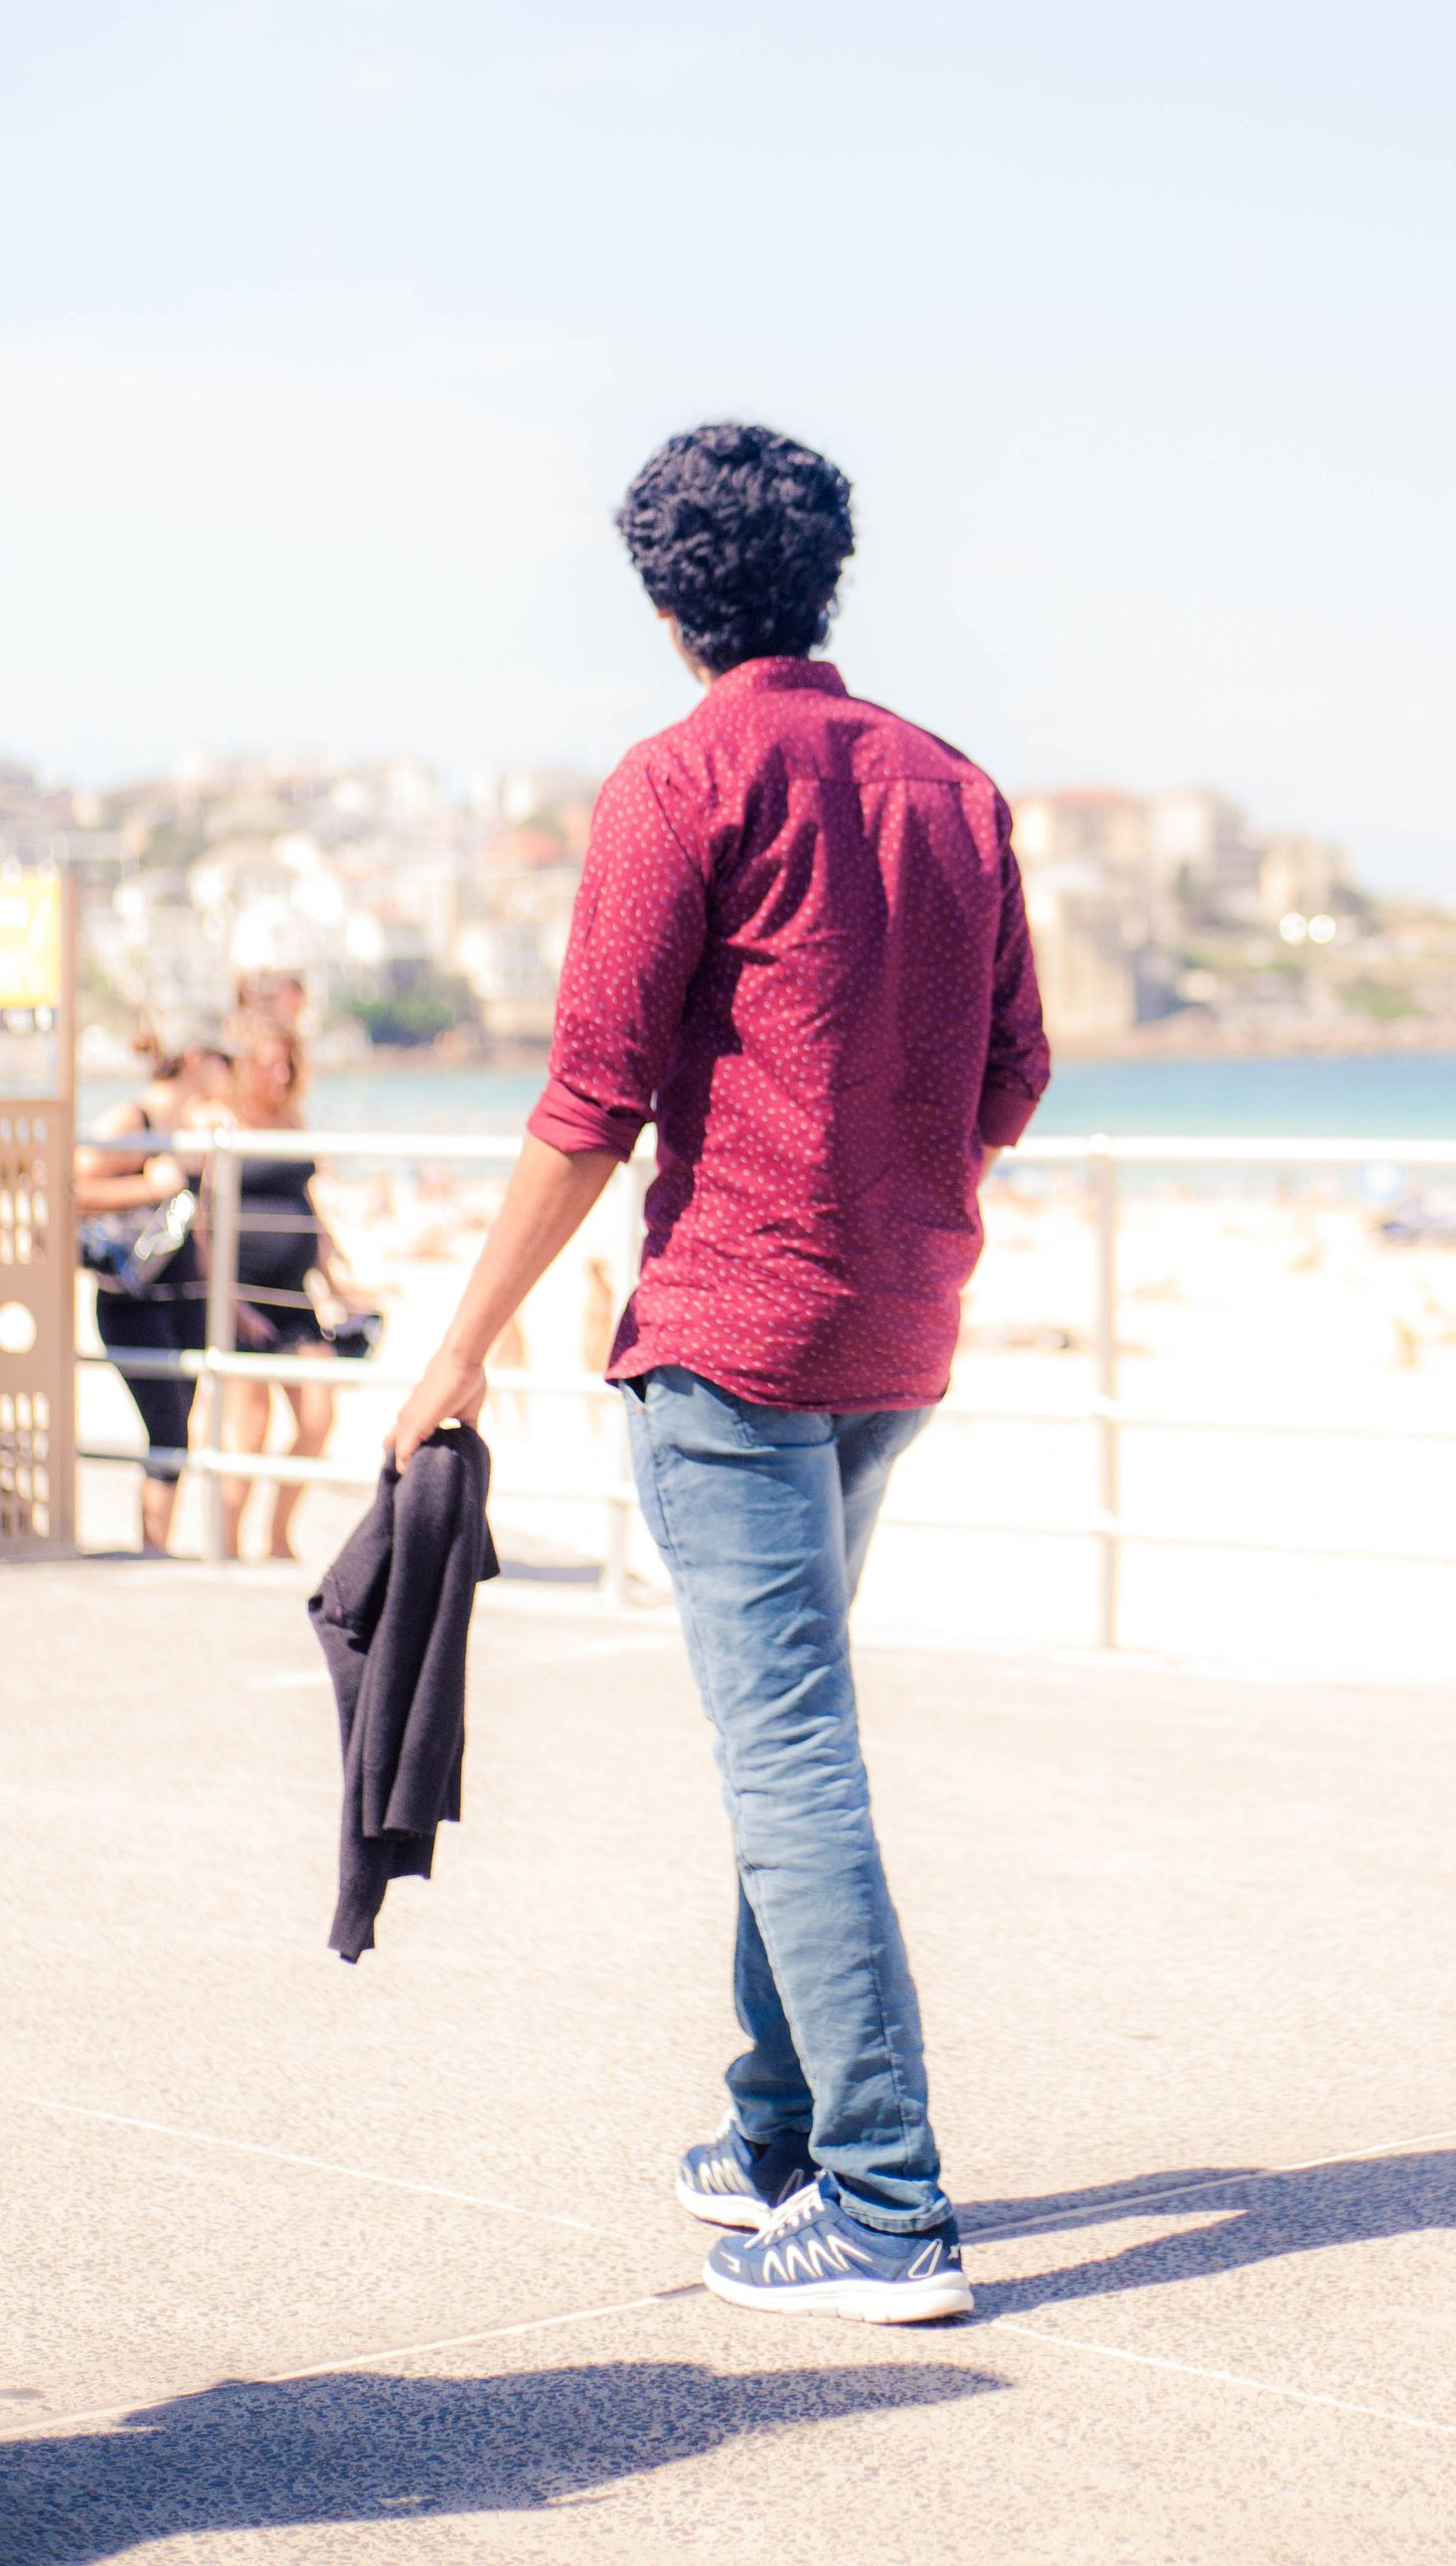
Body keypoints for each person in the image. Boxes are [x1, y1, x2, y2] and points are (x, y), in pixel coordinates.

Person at [391, 422, 1049, 2326]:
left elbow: (590, 1100)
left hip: (736, 1335)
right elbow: (1015, 1067)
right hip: (895, 1330)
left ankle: (887, 2205)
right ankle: (775, 2139)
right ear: (826, 577)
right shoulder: (955, 785)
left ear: (666, 601)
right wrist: (896, 1197)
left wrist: (456, 1346)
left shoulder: (676, 779)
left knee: (790, 1757)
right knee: (799, 1734)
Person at [76, 1027, 228, 1553]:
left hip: (183, 1298)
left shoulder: (189, 1124)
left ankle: (158, 1544)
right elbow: (72, 1188)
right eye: (225, 1060)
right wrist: (148, 1184)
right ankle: (153, 1547)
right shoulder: (132, 1119)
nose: (232, 1073)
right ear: (196, 1059)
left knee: (179, 1422)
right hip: (131, 1301)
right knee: (167, 1422)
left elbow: (196, 1222)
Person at [216, 1017, 346, 1562]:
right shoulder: (224, 1124)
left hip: (296, 1294)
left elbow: (306, 1204)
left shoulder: (294, 1122)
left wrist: (336, 1275)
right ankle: (227, 1541)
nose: (279, 1075)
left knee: (318, 1417)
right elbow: (204, 1222)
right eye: (267, 1065)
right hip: (242, 1293)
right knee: (251, 1426)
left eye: (286, 1065)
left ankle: (276, 1535)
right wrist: (230, 1302)